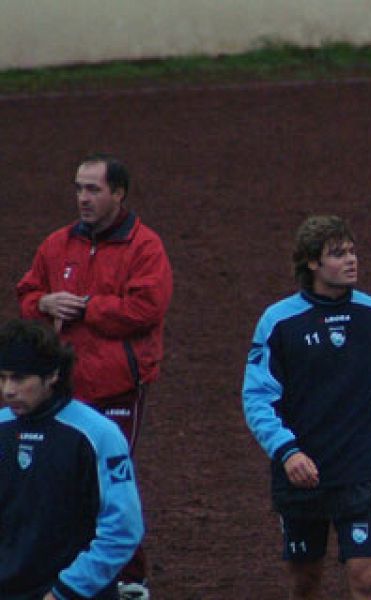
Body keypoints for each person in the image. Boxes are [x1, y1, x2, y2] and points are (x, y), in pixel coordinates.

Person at [242, 214, 371, 600]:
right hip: (303, 471)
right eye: (337, 254)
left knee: (366, 581)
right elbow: (257, 398)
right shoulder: (279, 322)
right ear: (312, 263)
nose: (351, 260)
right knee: (305, 581)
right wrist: (287, 452)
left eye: (352, 251)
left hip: (360, 468)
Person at [15, 153, 173, 600]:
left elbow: (146, 309)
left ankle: (129, 580)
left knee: (107, 479)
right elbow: (28, 294)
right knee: (60, 478)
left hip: (117, 386)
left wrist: (85, 307)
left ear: (118, 194)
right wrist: (45, 304)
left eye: (93, 189)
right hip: (63, 389)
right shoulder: (56, 244)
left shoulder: (145, 247)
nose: (83, 198)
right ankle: (64, 567)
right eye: (79, 188)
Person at [0, 318, 144, 599]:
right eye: (2, 377)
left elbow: (123, 528)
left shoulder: (97, 435)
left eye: (19, 378)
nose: (8, 390)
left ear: (52, 375)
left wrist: (65, 591)